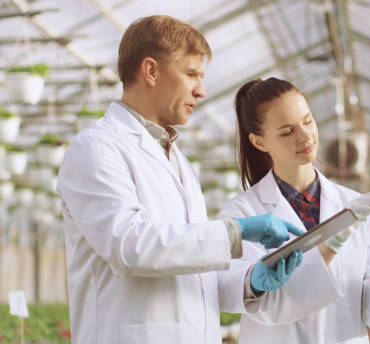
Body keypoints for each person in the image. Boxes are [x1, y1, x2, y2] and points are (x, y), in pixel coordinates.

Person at [57, 16, 303, 344]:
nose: (201, 90)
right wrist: (235, 233)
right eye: (191, 74)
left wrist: (251, 281)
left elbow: (191, 271)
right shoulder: (96, 148)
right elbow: (130, 246)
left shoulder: (178, 161)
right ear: (151, 71)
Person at [217, 77, 370, 343]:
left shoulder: (356, 208)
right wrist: (329, 243)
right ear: (259, 142)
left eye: (308, 121)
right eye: (287, 132)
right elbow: (265, 307)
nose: (305, 136)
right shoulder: (242, 214)